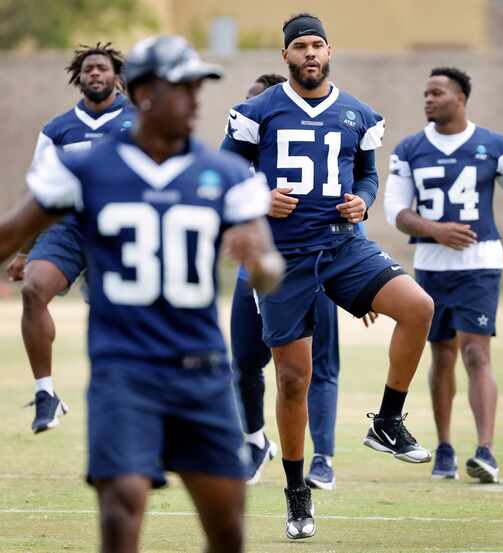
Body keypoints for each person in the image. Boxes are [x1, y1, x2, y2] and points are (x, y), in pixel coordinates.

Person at [0, 35, 283, 553]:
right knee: (120, 508)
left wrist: (259, 261)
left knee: (227, 529)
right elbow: (11, 233)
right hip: (123, 370)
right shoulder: (85, 170)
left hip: (201, 371)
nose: (196, 100)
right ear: (146, 93)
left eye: (199, 87)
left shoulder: (226, 175)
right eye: (184, 88)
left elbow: (268, 269)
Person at [221, 13, 434, 540]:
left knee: (418, 308)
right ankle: (297, 491)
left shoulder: (357, 113)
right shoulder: (257, 112)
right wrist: (258, 198)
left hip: (344, 246)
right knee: (294, 380)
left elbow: (366, 172)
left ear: (330, 51)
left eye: (317, 45)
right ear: (286, 57)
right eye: (300, 47)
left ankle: (387, 419)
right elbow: (223, 176)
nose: (310, 54)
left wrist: (363, 200)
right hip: (284, 257)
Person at [384, 67, 503, 483]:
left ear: (460, 98)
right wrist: (436, 230)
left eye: (437, 92)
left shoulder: (495, 146)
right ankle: (446, 446)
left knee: (476, 353)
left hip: (480, 266)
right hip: (432, 269)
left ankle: (486, 450)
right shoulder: (410, 149)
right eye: (425, 93)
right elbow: (395, 212)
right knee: (441, 355)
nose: (428, 99)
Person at [231, 72, 368, 490]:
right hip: (254, 269)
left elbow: (341, 203)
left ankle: (322, 456)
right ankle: (255, 441)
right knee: (246, 362)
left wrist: (363, 285)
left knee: (317, 367)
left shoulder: (314, 141)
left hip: (315, 265)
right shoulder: (238, 154)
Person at [5, 43, 135, 433]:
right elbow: (39, 197)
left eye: (103, 68)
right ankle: (46, 393)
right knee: (32, 290)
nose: (96, 74)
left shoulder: (139, 121)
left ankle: (128, 401)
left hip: (118, 231)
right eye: (89, 69)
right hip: (68, 228)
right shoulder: (57, 129)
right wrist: (24, 251)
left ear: (116, 76)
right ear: (78, 78)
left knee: (114, 321)